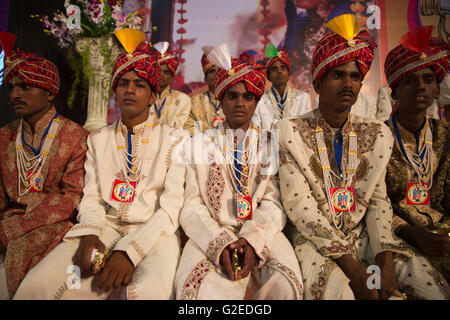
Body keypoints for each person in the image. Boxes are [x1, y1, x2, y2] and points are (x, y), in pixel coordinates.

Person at [276, 13, 449, 299]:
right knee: (337, 293)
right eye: (338, 75)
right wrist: (358, 273)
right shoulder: (291, 131)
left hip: (365, 236)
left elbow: (378, 202)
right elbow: (301, 210)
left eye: (355, 76)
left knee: (432, 289)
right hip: (314, 240)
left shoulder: (377, 134)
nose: (348, 84)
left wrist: (385, 259)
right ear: (317, 84)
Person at [13, 35, 188, 300]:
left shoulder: (176, 139)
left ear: (153, 96)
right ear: (114, 92)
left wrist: (129, 251)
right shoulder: (98, 139)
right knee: (41, 285)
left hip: (155, 233)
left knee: (149, 292)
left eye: (139, 85)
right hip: (105, 227)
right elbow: (92, 196)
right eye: (123, 84)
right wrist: (90, 234)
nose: (130, 90)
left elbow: (171, 208)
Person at [175, 43, 303, 300]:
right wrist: (219, 242)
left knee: (285, 286)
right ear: (220, 99)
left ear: (257, 101)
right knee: (199, 293)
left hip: (262, 232)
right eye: (232, 96)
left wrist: (252, 241)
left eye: (248, 97)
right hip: (211, 233)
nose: (240, 103)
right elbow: (190, 205)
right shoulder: (199, 144)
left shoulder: (270, 143)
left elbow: (274, 201)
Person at [0, 45, 88, 299]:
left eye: (25, 87)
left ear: (50, 92)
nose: (15, 94)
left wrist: (14, 228)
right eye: (11, 88)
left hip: (55, 227)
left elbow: (72, 199)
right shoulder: (5, 136)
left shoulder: (75, 137)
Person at [384, 26, 450, 283]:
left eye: (428, 79)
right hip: (399, 235)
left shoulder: (445, 136)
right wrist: (410, 232)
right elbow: (372, 206)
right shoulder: (378, 139)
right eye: (410, 80)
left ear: (436, 90)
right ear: (394, 91)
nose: (420, 87)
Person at [252, 43, 311, 129]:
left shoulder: (303, 98)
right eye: (274, 69)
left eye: (283, 68)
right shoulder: (260, 101)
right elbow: (257, 133)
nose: (279, 71)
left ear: (288, 73)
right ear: (268, 76)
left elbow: (308, 131)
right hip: (270, 142)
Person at [151, 41, 191, 129]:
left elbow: (181, 128)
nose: (161, 75)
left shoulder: (182, 99)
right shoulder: (144, 97)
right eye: (158, 70)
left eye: (166, 72)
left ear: (172, 77)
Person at [184, 51, 224, 136]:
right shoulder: (194, 102)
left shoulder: (232, 100)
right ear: (205, 78)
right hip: (202, 146)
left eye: (218, 71)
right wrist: (206, 142)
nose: (215, 74)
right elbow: (189, 127)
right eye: (211, 71)